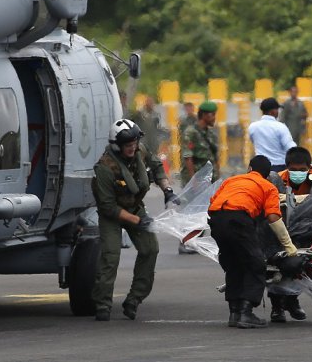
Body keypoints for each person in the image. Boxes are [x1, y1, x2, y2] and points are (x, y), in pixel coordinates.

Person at [91, 119, 178, 321]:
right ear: (117, 145)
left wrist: (168, 191)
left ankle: (134, 299)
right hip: (113, 215)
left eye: (134, 144)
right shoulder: (104, 168)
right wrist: (137, 221)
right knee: (110, 257)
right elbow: (108, 207)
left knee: (150, 249)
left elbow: (156, 167)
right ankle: (102, 304)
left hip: (135, 207)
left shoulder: (140, 150)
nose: (132, 148)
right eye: (128, 145)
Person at [208, 155, 299, 329]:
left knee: (235, 264)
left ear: (249, 169)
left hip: (216, 219)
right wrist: (288, 245)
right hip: (238, 220)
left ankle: (234, 312)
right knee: (255, 264)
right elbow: (273, 218)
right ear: (267, 174)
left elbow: (214, 201)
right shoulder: (268, 187)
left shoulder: (231, 180)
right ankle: (246, 312)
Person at [267, 146, 312, 323]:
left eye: (302, 170)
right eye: (293, 170)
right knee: (275, 264)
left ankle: (292, 300)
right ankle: (277, 307)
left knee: (302, 266)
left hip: (308, 228)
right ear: (287, 167)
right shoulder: (279, 178)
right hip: (282, 226)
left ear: (310, 167)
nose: (297, 173)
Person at [248, 97, 297, 172]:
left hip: (260, 168)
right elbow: (290, 148)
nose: (278, 112)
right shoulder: (280, 127)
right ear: (272, 111)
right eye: (277, 109)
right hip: (279, 167)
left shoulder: (253, 127)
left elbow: (253, 141)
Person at [180, 101, 220, 186]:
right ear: (204, 115)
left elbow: (215, 157)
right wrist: (193, 180)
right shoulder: (190, 132)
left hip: (210, 178)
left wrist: (218, 177)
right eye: (212, 115)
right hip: (198, 179)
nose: (214, 118)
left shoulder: (211, 134)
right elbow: (188, 157)